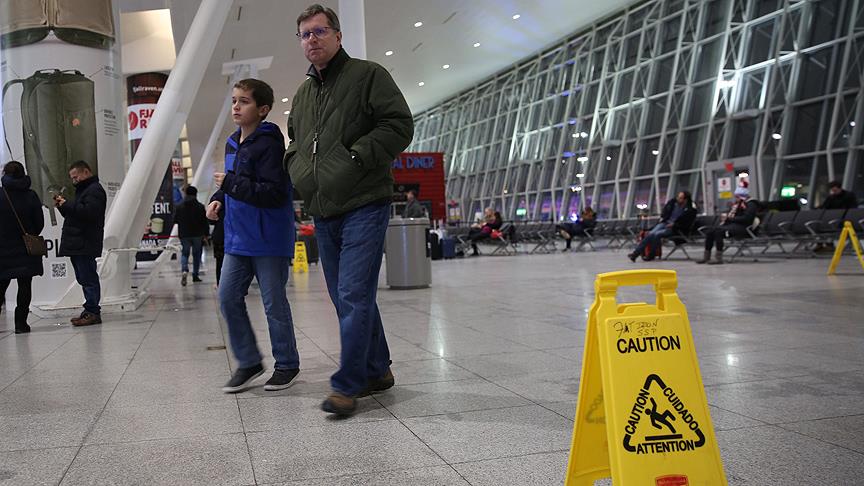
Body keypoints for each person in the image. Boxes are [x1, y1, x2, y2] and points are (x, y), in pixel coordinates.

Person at [284, 4, 414, 415]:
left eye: (320, 31)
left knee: (353, 293)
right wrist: (297, 170)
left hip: (365, 202)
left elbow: (398, 125)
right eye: (305, 34)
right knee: (346, 297)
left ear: (338, 36)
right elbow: (295, 143)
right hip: (324, 209)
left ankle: (348, 383)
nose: (312, 39)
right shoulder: (303, 95)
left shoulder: (368, 75)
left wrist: (355, 159)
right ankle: (378, 369)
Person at [208, 78, 300, 394]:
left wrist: (229, 185)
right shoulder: (232, 142)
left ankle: (287, 364)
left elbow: (274, 193)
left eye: (244, 101)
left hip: (268, 238)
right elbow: (232, 183)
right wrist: (218, 199)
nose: (236, 106)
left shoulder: (270, 144)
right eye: (234, 100)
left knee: (274, 303)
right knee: (227, 297)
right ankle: (248, 362)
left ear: (262, 109)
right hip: (237, 238)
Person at [54, 160, 106, 327]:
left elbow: (89, 213)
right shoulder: (84, 190)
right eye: (72, 178)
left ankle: (92, 312)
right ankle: (89, 310)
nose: (74, 180)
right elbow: (76, 214)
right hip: (79, 242)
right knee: (83, 278)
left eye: (76, 177)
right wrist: (63, 206)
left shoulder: (94, 190)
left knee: (88, 278)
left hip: (85, 242)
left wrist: (68, 204)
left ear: (86, 172)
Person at [0, 161, 45, 334]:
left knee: (1, 286)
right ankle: (21, 324)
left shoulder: (1, 194)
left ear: (5, 174)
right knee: (25, 286)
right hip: (26, 248)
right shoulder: (31, 195)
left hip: (2, 249)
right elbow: (39, 223)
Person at [696, 185, 758, 265]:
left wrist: (729, 218)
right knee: (710, 231)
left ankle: (718, 258)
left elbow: (746, 219)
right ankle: (706, 256)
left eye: (737, 196)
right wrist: (727, 217)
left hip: (743, 228)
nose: (736, 198)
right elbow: (733, 216)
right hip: (733, 225)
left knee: (718, 231)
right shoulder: (738, 204)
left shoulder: (751, 204)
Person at [628, 191, 697, 262]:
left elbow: (687, 223)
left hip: (675, 228)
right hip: (665, 223)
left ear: (685, 200)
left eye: (680, 198)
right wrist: (663, 218)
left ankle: (651, 255)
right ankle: (635, 254)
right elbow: (665, 212)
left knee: (657, 234)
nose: (678, 199)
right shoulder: (673, 203)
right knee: (651, 234)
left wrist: (674, 224)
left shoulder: (690, 209)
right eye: (678, 197)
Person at [173, 185, 209, 286]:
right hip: (197, 234)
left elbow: (175, 220)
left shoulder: (179, 206)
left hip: (184, 234)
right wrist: (206, 234)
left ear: (186, 194)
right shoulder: (200, 207)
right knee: (196, 255)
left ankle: (184, 270)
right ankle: (195, 275)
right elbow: (204, 222)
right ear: (196, 194)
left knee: (185, 253)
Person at [206, 192, 225, 286]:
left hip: (219, 236)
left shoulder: (217, 196)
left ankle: (220, 283)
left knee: (219, 262)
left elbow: (211, 220)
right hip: (238, 237)